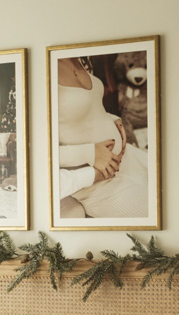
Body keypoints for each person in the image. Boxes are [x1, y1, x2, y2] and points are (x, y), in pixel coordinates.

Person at [56, 55, 148, 219]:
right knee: (162, 211)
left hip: (127, 159)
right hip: (98, 183)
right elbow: (37, 156)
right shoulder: (42, 68)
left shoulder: (80, 58)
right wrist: (90, 153)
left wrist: (113, 119)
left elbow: (85, 109)